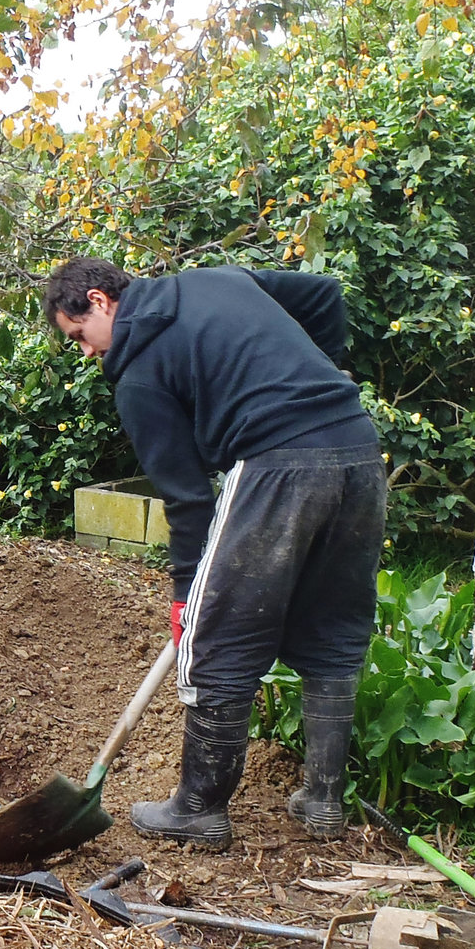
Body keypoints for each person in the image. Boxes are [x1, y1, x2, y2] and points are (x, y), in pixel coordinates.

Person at [44, 257, 385, 848]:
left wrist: (186, 602)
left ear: (98, 301)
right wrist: (319, 375)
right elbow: (326, 295)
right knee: (332, 625)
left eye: (79, 336)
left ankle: (199, 807)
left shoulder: (140, 377)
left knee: (220, 635)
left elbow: (188, 501)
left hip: (277, 468)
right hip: (357, 449)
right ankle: (324, 801)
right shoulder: (217, 279)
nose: (86, 353)